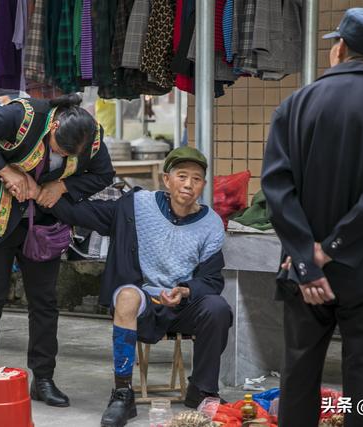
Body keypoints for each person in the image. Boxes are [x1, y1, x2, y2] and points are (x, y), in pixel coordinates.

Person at [260, 8, 363, 427]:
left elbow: (277, 189)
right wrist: (331, 249)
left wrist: (306, 258)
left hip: (304, 274)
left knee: (299, 374)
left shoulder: (295, 104)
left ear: (340, 49)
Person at [28, 147, 232, 427]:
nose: (188, 184)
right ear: (166, 180)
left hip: (180, 303)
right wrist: (42, 193)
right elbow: (82, 213)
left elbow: (211, 279)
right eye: (181, 176)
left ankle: (203, 390)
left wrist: (184, 290)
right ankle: (123, 393)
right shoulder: (136, 206)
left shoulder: (210, 224)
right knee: (125, 296)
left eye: (196, 179)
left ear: (203, 185)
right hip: (143, 299)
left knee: (217, 307)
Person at [0, 94, 115, 408]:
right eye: (56, 147)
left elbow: (103, 174)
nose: (58, 155)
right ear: (54, 125)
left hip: (43, 223)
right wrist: (7, 172)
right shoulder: (22, 116)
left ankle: (43, 379)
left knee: (44, 301)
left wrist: (63, 187)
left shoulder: (90, 135)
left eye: (67, 155)